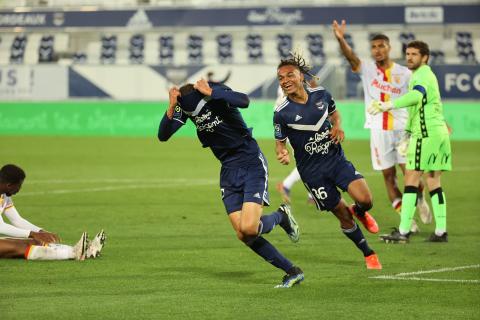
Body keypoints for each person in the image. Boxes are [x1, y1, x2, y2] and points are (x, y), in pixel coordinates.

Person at [157, 78, 303, 288]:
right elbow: (163, 135)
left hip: (251, 162)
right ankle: (292, 271)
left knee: (250, 229)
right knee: (243, 234)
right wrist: (171, 106)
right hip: (228, 170)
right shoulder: (185, 106)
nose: (194, 117)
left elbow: (244, 100)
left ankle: (281, 216)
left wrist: (212, 92)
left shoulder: (213, 92)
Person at [274, 53, 382, 270]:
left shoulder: (322, 94)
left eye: (289, 75)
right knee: (341, 213)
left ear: (301, 76)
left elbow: (335, 114)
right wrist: (282, 153)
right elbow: (280, 143)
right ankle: (368, 253)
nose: (284, 80)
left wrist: (337, 126)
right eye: (280, 78)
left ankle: (360, 211)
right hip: (312, 173)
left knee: (366, 199)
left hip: (336, 160)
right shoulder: (281, 113)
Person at [332, 20, 431, 233]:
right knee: (388, 176)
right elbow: (350, 56)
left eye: (381, 46)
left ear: (389, 48)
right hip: (378, 131)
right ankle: (408, 221)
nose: (377, 51)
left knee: (410, 174)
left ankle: (421, 197)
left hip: (403, 130)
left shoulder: (405, 73)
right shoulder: (367, 69)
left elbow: (419, 97)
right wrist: (341, 39)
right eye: (373, 47)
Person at [368, 40, 451, 243]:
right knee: (433, 181)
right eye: (408, 54)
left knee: (411, 180)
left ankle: (404, 231)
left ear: (425, 57)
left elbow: (416, 96)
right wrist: (407, 132)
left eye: (414, 54)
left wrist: (388, 105)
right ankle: (441, 231)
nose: (409, 57)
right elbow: (418, 108)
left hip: (426, 134)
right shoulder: (425, 75)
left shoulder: (422, 75)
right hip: (437, 132)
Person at [0, 164, 106, 260]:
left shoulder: (4, 196)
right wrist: (32, 233)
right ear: (9, 185)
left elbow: (16, 220)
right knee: (18, 247)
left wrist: (40, 232)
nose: (19, 189)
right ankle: (73, 253)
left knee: (35, 242)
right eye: (19, 186)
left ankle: (83, 251)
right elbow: (1, 227)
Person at [275, 83, 315, 204]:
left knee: (309, 160)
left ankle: (290, 186)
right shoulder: (291, 90)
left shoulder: (285, 86)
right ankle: (311, 193)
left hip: (292, 129)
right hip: (293, 130)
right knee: (309, 161)